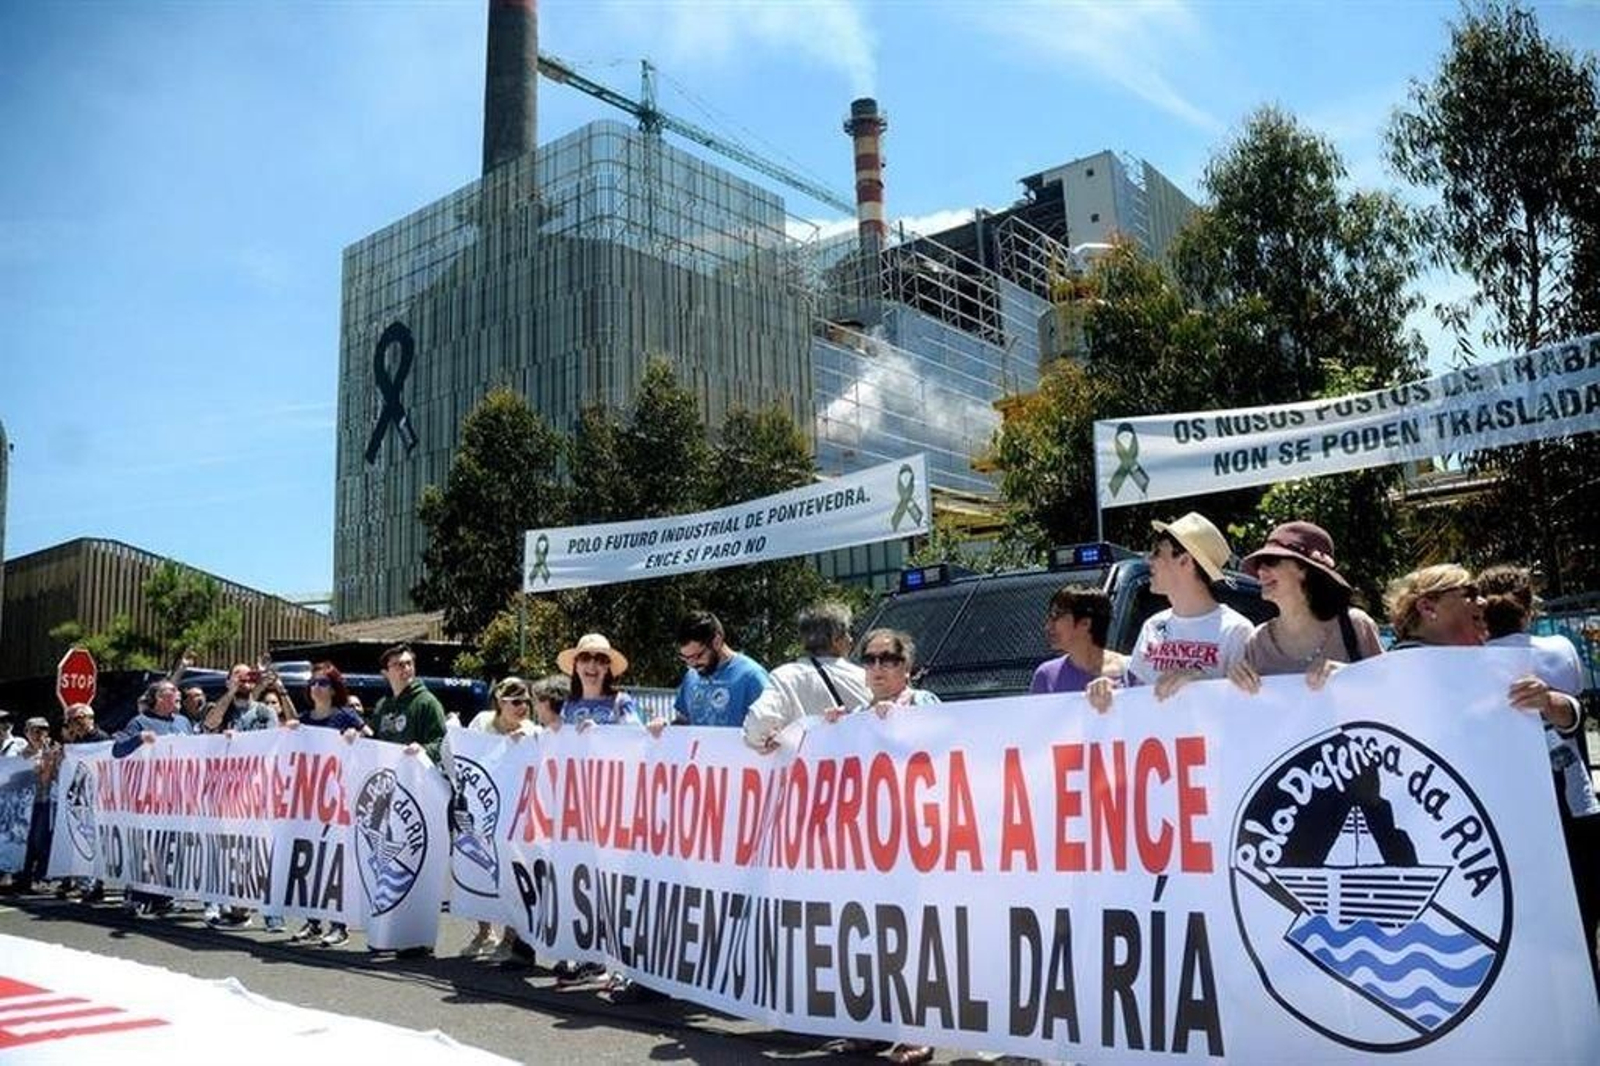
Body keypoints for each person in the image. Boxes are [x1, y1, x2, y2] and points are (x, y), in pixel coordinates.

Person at [1477, 564, 1598, 987]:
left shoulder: (1466, 664)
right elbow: (1576, 697)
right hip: (1569, 802)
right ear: (1529, 608)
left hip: (1510, 812)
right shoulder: (1558, 649)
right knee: (1582, 924)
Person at [824, 627, 936, 1066]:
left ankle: (918, 1032)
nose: (877, 668)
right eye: (869, 659)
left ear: (905, 666)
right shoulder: (856, 714)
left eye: (887, 659)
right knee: (872, 937)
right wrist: (831, 730)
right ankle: (873, 1027)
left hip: (913, 843)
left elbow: (944, 755)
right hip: (868, 847)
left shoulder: (924, 704)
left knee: (912, 940)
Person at [1088, 512, 1252, 713]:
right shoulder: (1152, 625)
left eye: (1157, 552)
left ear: (1185, 561)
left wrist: (1204, 684)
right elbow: (1136, 693)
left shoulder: (1236, 630)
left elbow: (1245, 707)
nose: (1149, 560)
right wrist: (1109, 691)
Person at [445, 676, 541, 963]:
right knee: (478, 867)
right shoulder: (482, 722)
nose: (522, 706)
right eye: (515, 701)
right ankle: (485, 932)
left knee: (511, 874)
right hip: (481, 811)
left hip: (514, 816)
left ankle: (511, 937)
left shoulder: (532, 730)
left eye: (526, 701)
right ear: (500, 702)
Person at [1226, 522, 1383, 695]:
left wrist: (1348, 676)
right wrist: (1236, 685)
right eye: (1258, 564)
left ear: (1305, 570)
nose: (1261, 571)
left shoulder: (1355, 625)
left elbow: (1389, 691)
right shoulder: (1257, 641)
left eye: (1271, 561)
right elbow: (1253, 711)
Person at [286, 665, 365, 947]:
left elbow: (369, 736)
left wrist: (356, 736)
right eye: (313, 683)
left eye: (322, 682)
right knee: (311, 861)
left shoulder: (344, 716)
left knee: (335, 862)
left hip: (338, 801)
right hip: (310, 802)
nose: (315, 687)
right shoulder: (305, 719)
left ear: (333, 688)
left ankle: (339, 925)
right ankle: (313, 920)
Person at [112, 680, 195, 915]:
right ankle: (138, 895)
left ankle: (164, 896)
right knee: (148, 847)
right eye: (171, 692)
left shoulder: (183, 722)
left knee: (171, 848)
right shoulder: (140, 722)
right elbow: (117, 750)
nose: (177, 695)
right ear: (158, 698)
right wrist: (138, 739)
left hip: (177, 796)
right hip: (149, 796)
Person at [742, 601, 870, 751]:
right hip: (853, 770)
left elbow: (757, 725)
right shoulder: (864, 678)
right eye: (848, 632)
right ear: (836, 639)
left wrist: (768, 742)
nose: (851, 639)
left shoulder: (785, 677)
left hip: (805, 770)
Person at [668, 611, 770, 732]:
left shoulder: (752, 677)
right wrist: (664, 727)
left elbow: (771, 727)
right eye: (685, 658)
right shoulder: (691, 677)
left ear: (716, 641)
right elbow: (685, 720)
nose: (691, 664)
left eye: (697, 656)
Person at [1030, 585, 1128, 696]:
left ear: (1085, 623)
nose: (1048, 626)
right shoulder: (1046, 676)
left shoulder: (1131, 671)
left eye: (1056, 616)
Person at [368, 644, 447, 763]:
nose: (406, 668)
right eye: (399, 665)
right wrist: (355, 735)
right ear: (385, 673)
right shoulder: (382, 705)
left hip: (415, 777)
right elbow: (371, 739)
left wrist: (423, 750)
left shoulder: (427, 703)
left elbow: (442, 743)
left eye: (409, 663)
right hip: (386, 775)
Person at [557, 634, 644, 728]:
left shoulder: (621, 703)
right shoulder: (566, 706)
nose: (592, 665)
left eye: (600, 659)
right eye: (584, 658)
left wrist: (599, 732)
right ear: (576, 666)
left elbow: (635, 734)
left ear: (607, 667)